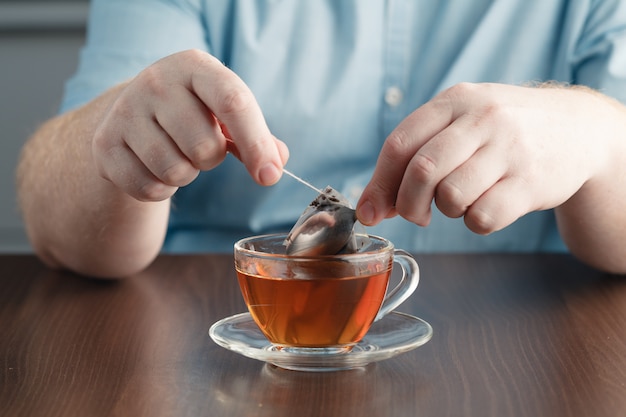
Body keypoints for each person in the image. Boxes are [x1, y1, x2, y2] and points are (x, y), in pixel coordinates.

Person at [16, 0, 626, 278]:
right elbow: (55, 226)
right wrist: (121, 134)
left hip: (511, 351)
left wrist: (601, 134)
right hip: (210, 345)